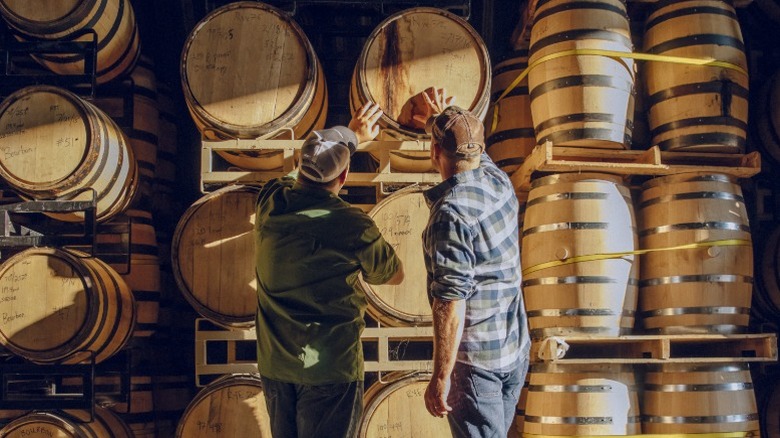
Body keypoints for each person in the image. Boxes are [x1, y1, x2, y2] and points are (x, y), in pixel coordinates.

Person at [254, 101, 404, 438]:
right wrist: (354, 138)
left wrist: (350, 136)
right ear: (344, 177)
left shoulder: (270, 202)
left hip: (276, 364)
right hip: (330, 369)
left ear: (299, 165)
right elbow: (393, 275)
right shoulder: (352, 224)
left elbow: (291, 177)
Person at [419, 92, 531, 437]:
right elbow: (468, 146)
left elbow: (451, 301)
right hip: (513, 349)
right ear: (479, 150)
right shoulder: (498, 180)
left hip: (476, 364)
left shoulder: (450, 214)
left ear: (435, 152)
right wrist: (436, 119)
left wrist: (441, 377)